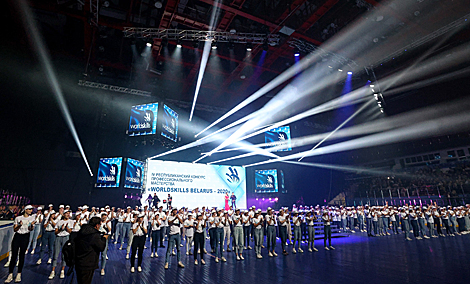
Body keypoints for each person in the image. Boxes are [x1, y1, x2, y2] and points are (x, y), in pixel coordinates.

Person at [4, 205, 35, 283]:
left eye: (31, 209)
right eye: (29, 209)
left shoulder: (31, 218)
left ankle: (19, 274)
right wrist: (19, 225)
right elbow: (15, 229)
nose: (31, 211)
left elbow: (31, 229)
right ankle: (10, 274)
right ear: (25, 210)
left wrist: (31, 225)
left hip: (25, 237)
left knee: (21, 255)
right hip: (17, 236)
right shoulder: (18, 218)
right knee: (14, 255)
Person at [74, 217, 108, 284]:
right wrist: (104, 238)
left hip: (79, 261)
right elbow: (101, 247)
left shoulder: (82, 231)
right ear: (97, 225)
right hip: (88, 263)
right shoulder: (94, 235)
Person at [49, 210, 74, 280]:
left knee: (64, 255)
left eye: (69, 213)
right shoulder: (59, 222)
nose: (68, 214)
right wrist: (60, 229)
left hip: (66, 238)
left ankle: (62, 270)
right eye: (66, 213)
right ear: (63, 214)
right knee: (55, 255)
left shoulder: (71, 221)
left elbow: (71, 231)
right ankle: (53, 271)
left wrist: (66, 228)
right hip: (58, 238)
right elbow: (56, 232)